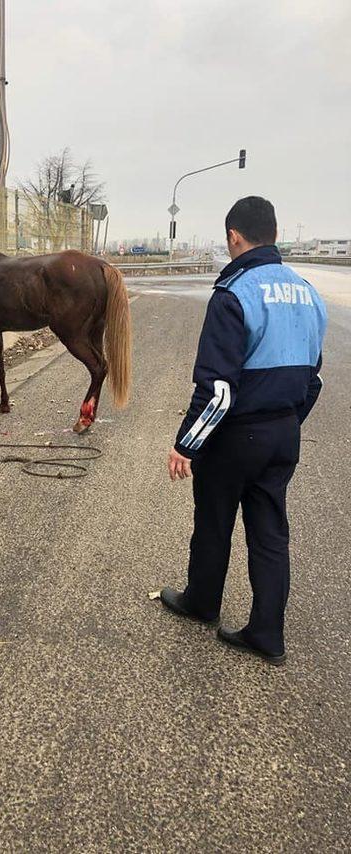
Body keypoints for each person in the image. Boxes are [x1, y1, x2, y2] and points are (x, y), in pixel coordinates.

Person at [162, 196, 327, 665]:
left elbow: (217, 389)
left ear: (234, 236)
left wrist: (186, 444)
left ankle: (202, 602)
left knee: (214, 520)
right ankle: (267, 634)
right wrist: (289, 424)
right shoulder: (306, 291)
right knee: (270, 531)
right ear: (272, 233)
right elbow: (314, 375)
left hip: (237, 437)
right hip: (283, 434)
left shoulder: (235, 293)